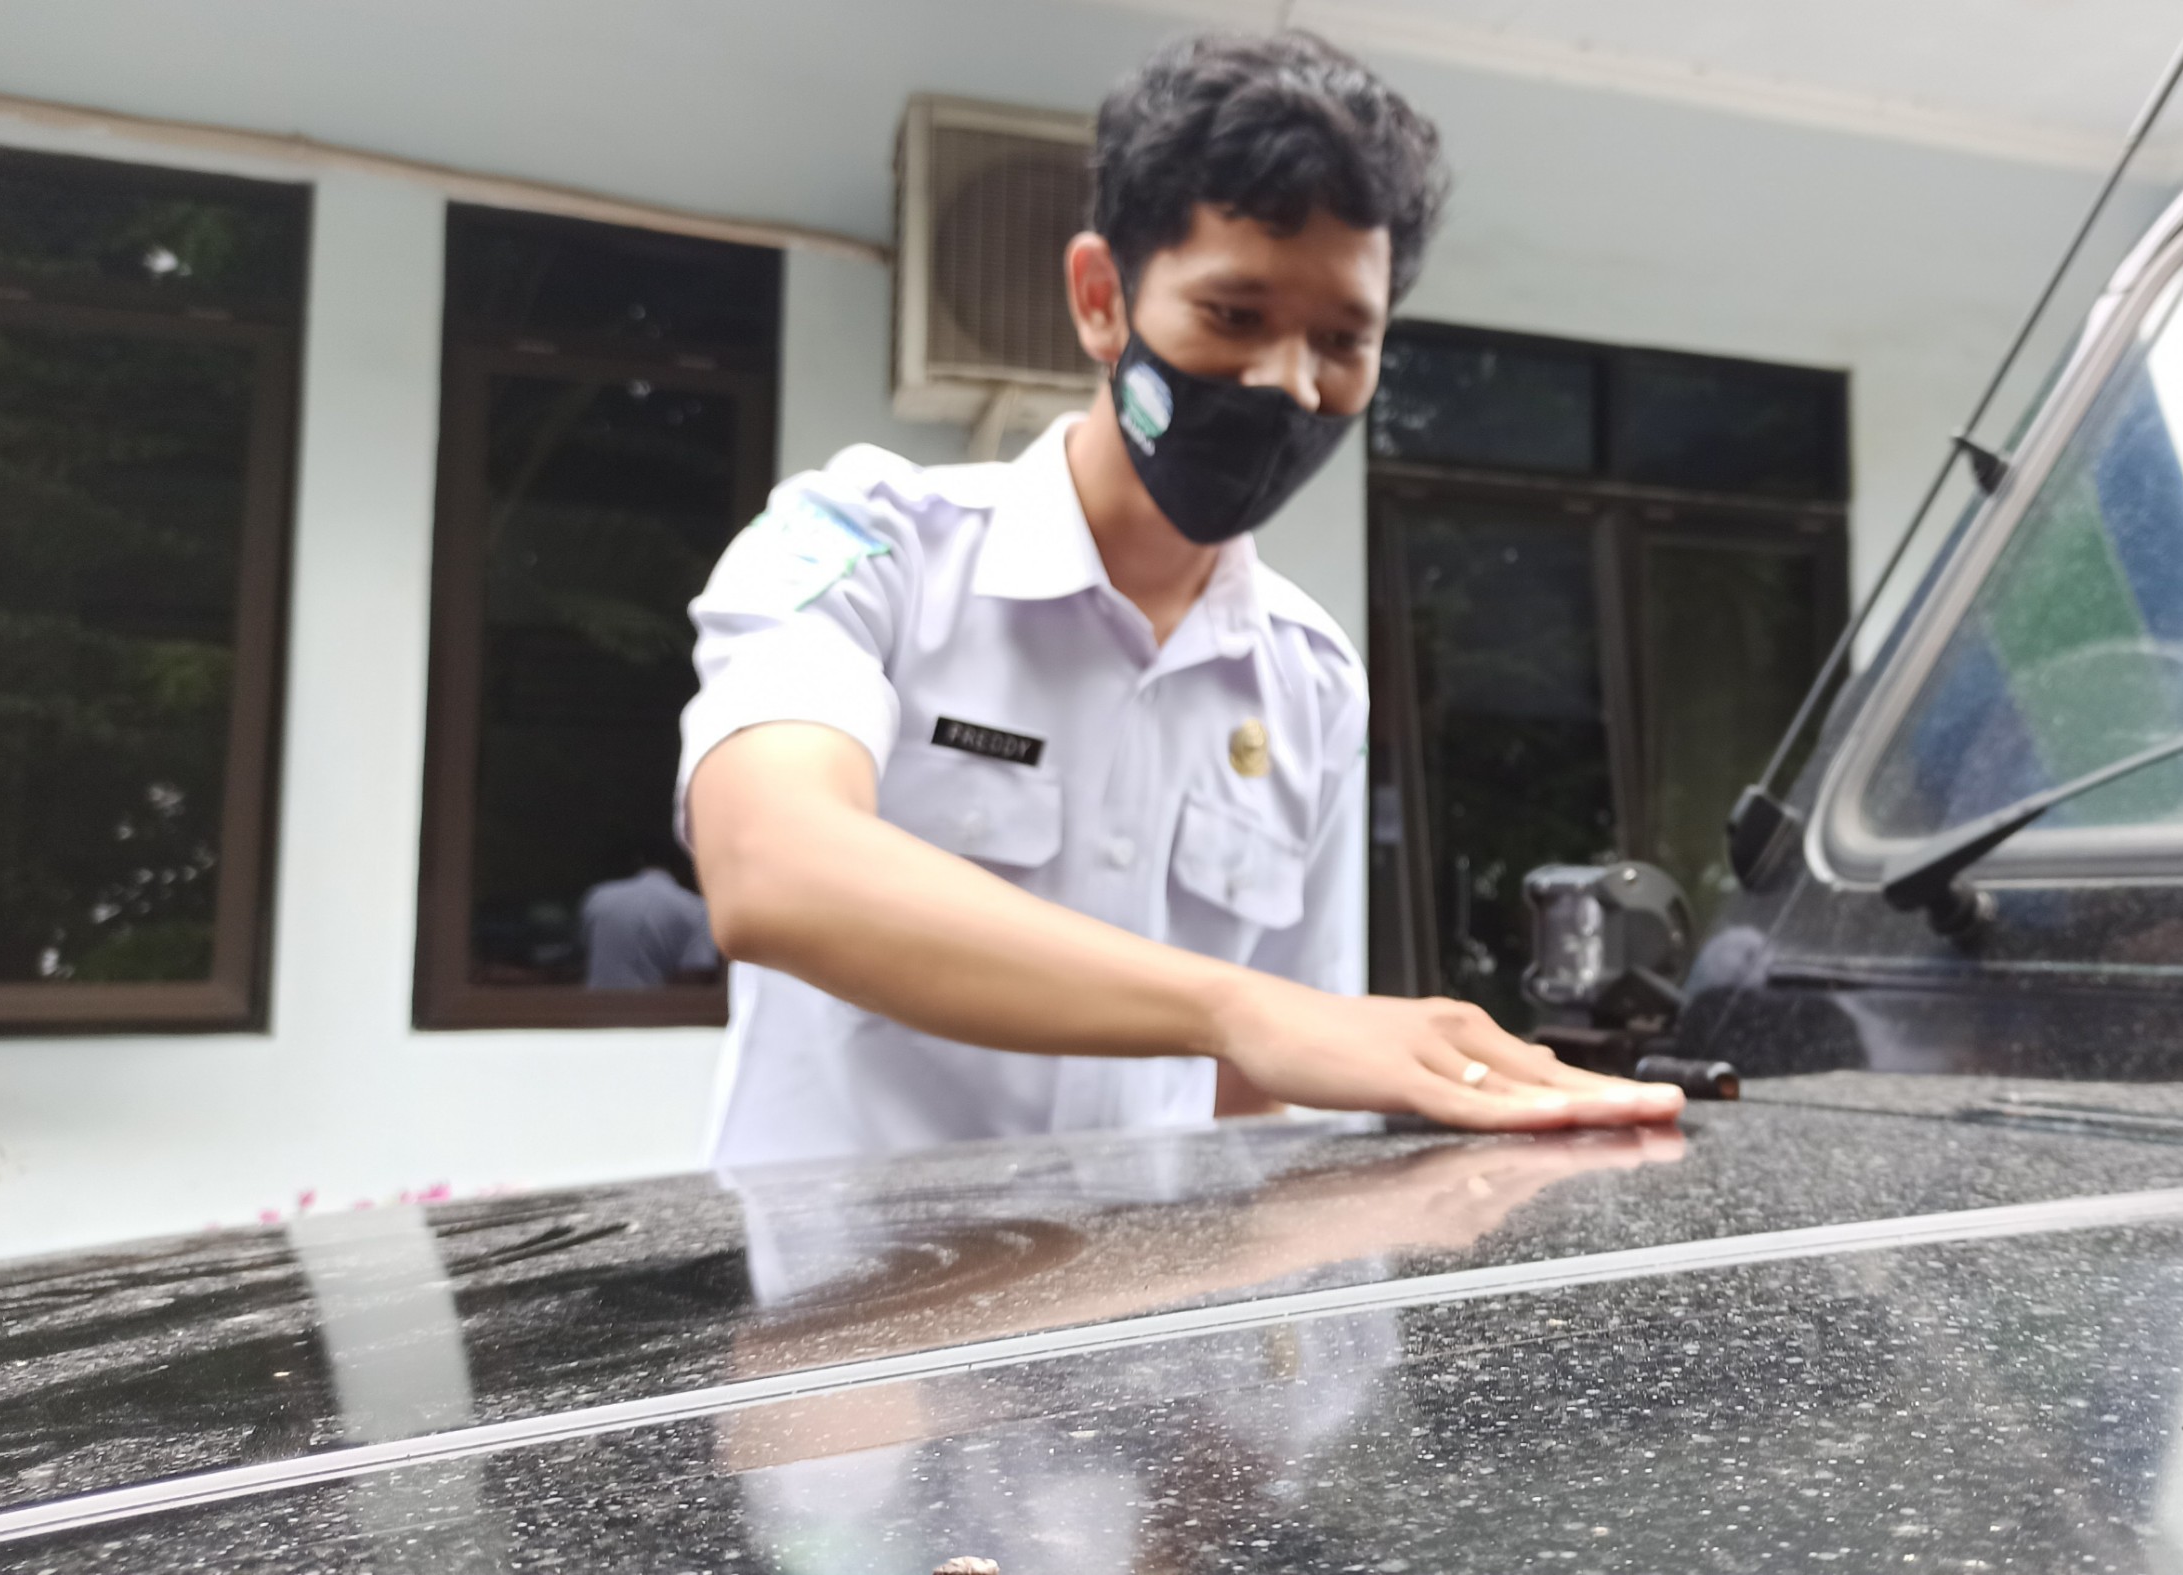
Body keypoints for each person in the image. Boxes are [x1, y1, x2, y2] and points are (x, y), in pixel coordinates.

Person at [678, 30, 1681, 1172]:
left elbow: (1267, 1098)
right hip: (848, 1331)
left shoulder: (1309, 681)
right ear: (1103, 300)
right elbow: (773, 866)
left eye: (1342, 340)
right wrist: (1233, 1007)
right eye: (1236, 316)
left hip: (1142, 1336)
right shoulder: (862, 548)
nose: (1290, 385)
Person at [577, 839, 720, 989]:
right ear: (685, 865)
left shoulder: (598, 897)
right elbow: (696, 975)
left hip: (593, 1008)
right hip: (654, 1009)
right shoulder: (695, 908)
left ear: (639, 861)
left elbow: (582, 955)